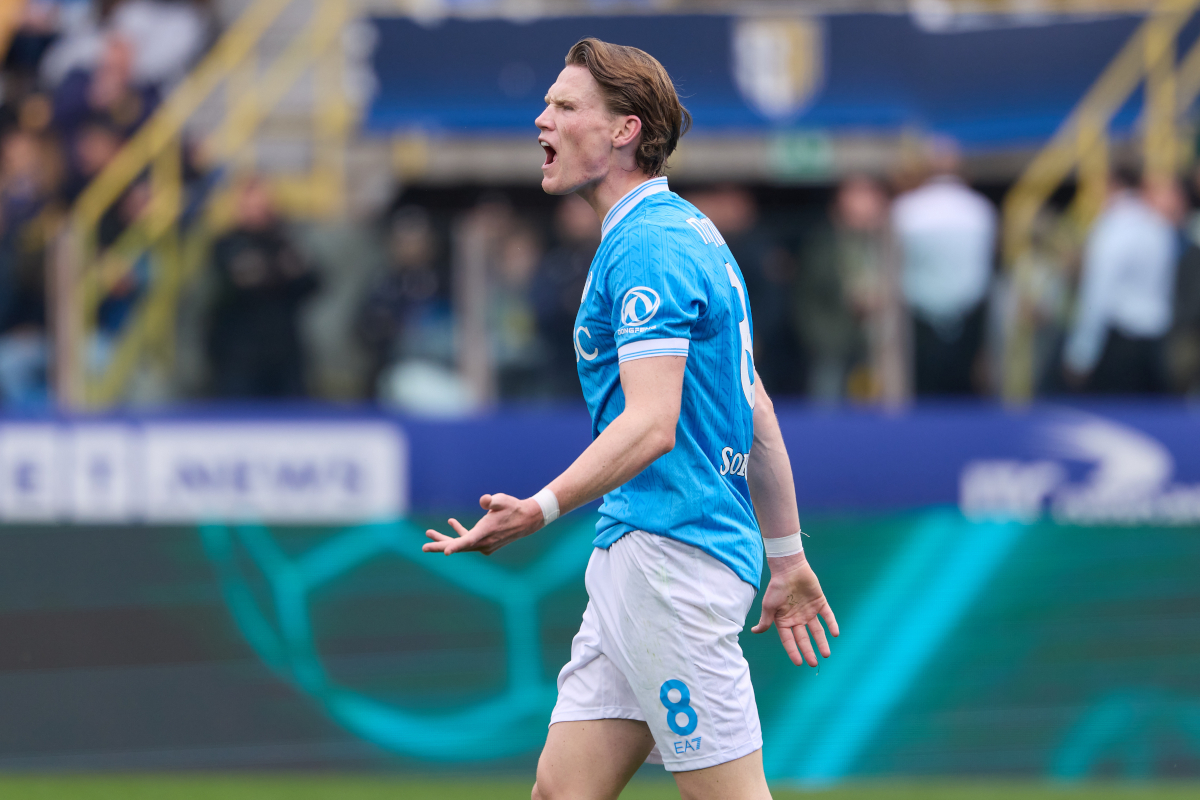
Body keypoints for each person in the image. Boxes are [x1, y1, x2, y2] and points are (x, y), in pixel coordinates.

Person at [422, 38, 837, 800]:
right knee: (561, 792)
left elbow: (653, 425)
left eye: (564, 105)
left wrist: (538, 510)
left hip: (669, 563)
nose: (541, 118)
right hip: (643, 554)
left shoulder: (646, 245)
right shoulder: (689, 233)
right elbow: (757, 413)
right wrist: (784, 557)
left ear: (624, 131)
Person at [892, 138, 996, 396]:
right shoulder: (981, 210)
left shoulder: (906, 210)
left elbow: (892, 270)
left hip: (920, 319)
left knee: (923, 398)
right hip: (967, 316)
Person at [1063, 167, 1178, 394]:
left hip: (1120, 343)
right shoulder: (1158, 226)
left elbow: (1098, 292)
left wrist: (1081, 352)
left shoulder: (1113, 227)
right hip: (1155, 342)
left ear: (1112, 186)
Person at [206, 176, 318, 398]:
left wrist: (272, 272)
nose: (255, 212)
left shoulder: (287, 239)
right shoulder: (227, 243)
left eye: (261, 205)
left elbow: (311, 281)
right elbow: (242, 281)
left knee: (292, 422)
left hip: (284, 350)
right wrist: (280, 271)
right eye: (249, 205)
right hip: (239, 351)